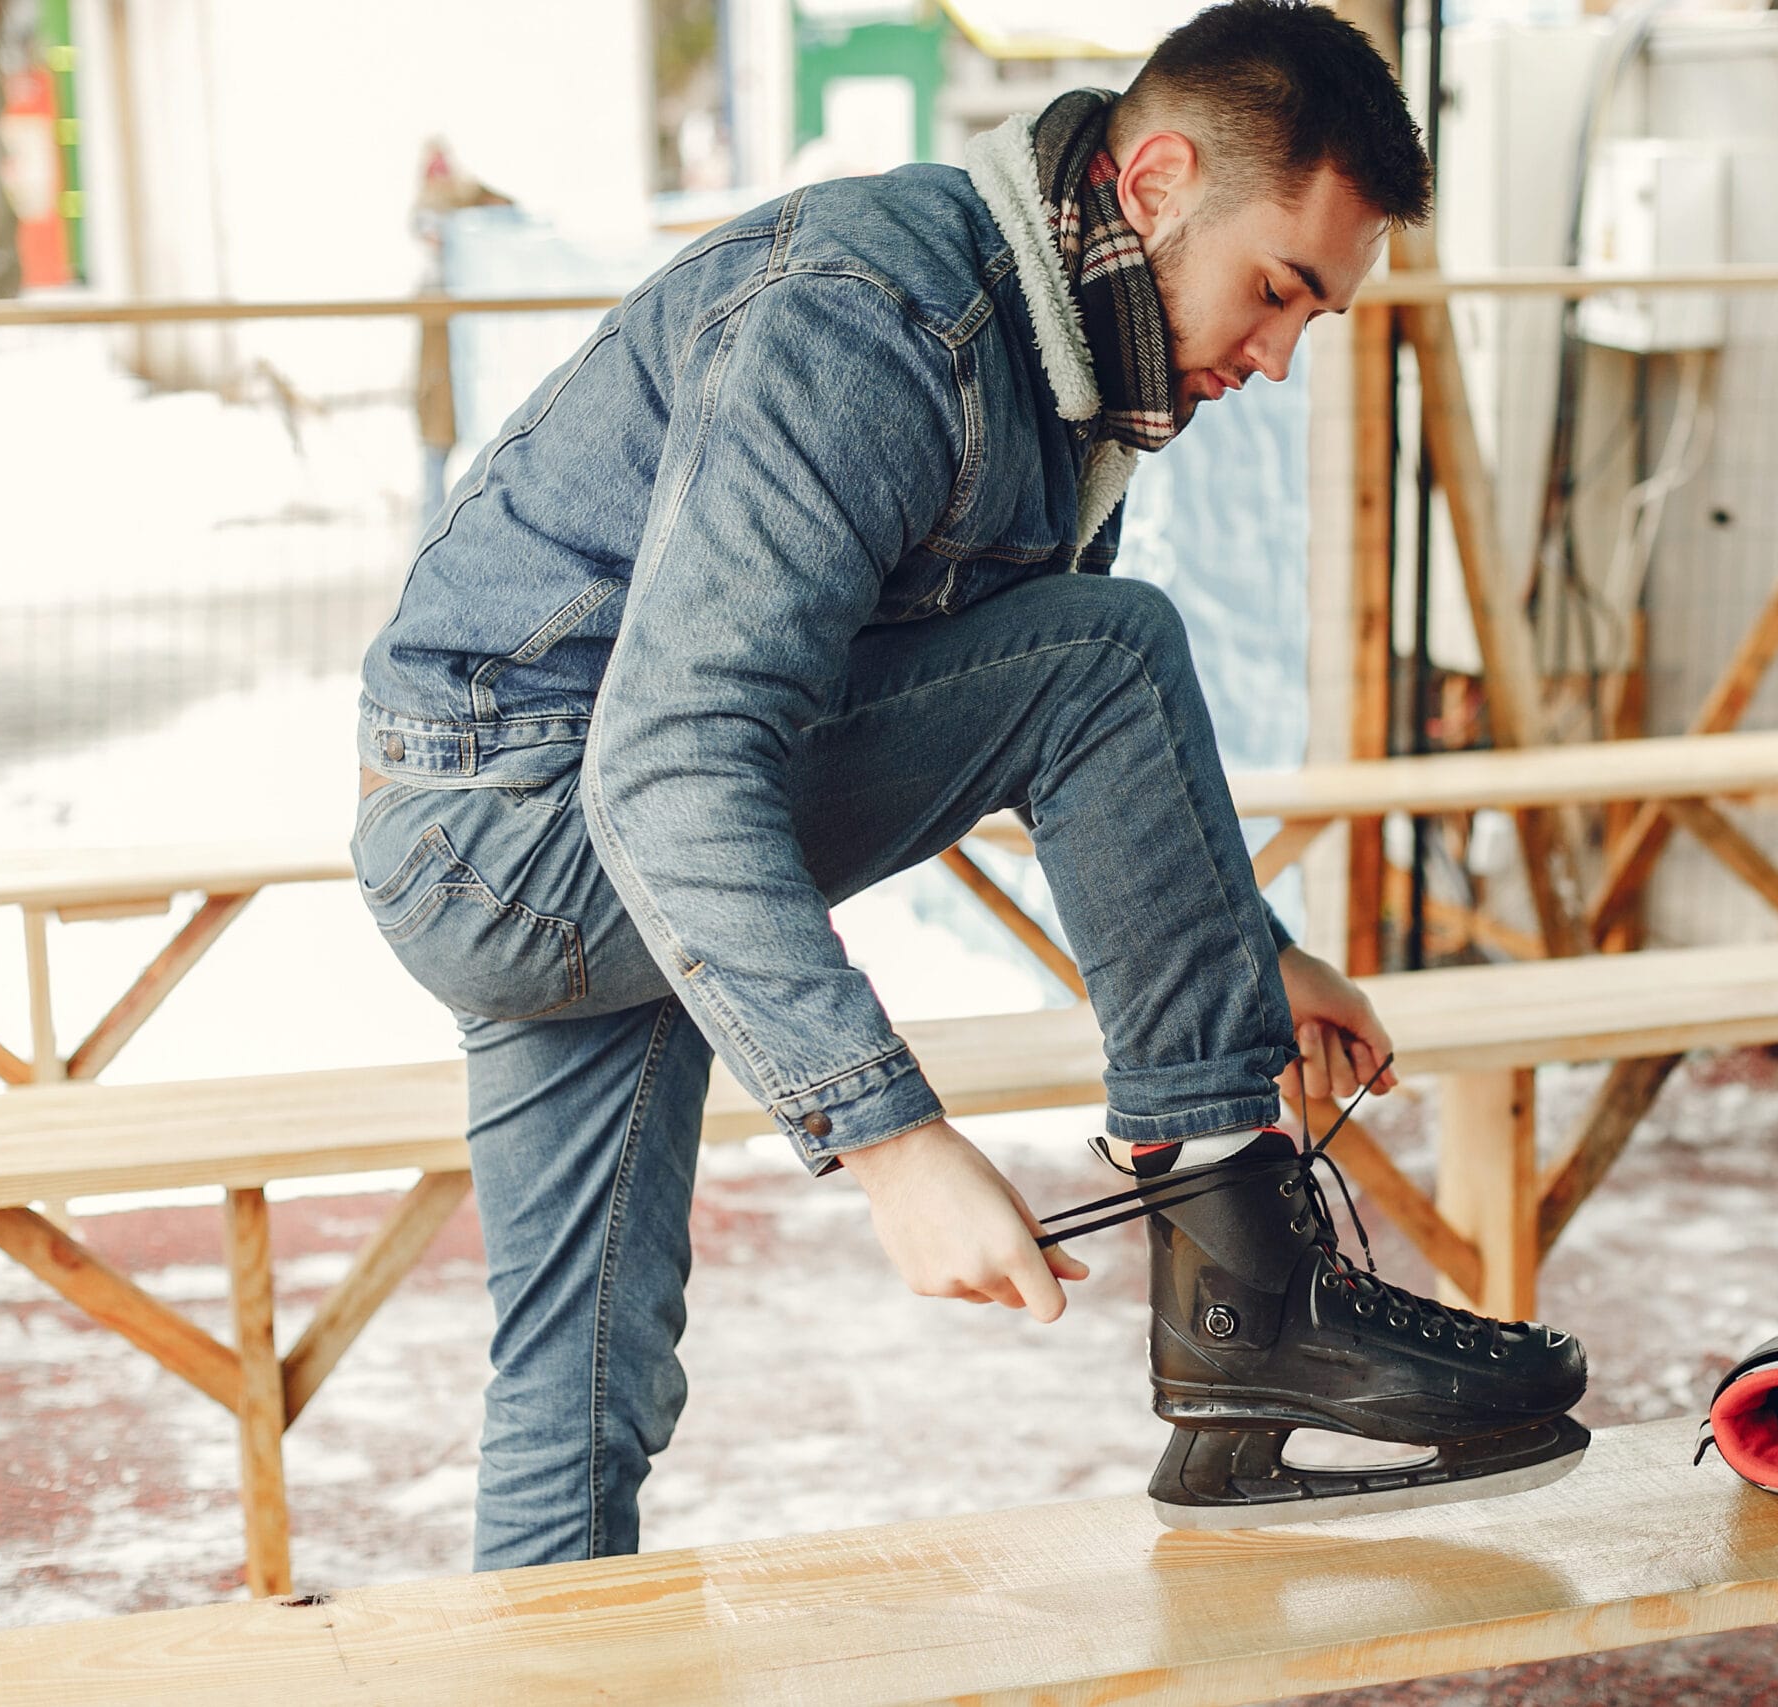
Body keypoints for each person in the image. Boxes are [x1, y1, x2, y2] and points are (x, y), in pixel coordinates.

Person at [349, 0, 1586, 1562]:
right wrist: (891, 1142)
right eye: (1275, 293)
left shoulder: (1078, 357)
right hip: (523, 832)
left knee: (586, 1376)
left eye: (1312, 323)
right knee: (1104, 652)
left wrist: (1249, 955)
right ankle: (1241, 1304)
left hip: (539, 823)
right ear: (1151, 184)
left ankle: (543, 1660)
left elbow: (988, 715)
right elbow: (676, 765)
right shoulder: (874, 322)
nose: (1275, 357)